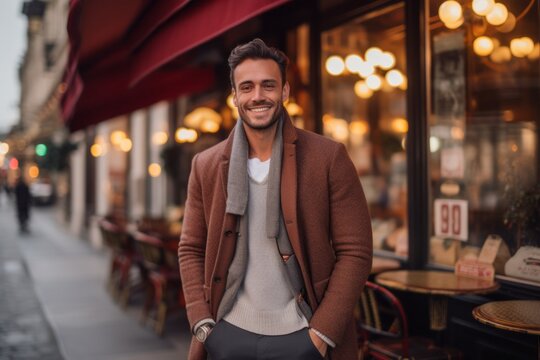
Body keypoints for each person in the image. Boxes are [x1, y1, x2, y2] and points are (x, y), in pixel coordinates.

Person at [178, 38, 372, 360]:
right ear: (235, 96)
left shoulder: (328, 157)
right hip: (228, 333)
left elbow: (357, 251)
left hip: (302, 334)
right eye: (247, 87)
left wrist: (320, 334)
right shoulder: (206, 165)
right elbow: (190, 248)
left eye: (268, 85)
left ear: (284, 91)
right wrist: (202, 322)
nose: (258, 96)